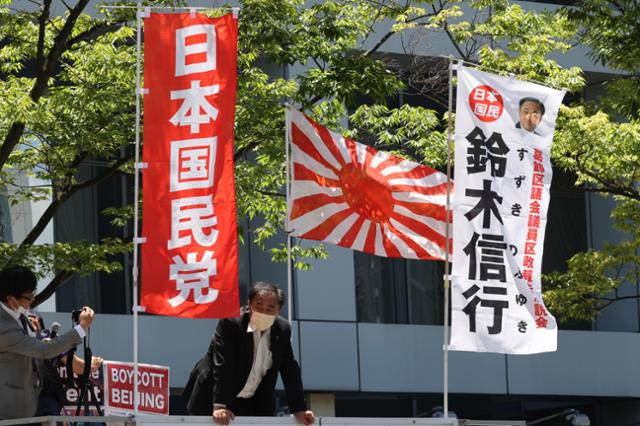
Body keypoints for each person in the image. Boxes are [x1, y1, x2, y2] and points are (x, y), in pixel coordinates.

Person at [184, 282, 315, 425]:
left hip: (250, 401)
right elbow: (224, 366)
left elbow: (289, 368)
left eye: (270, 309)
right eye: (258, 307)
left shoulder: (282, 329)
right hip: (212, 398)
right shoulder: (231, 323)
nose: (263, 313)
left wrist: (299, 409)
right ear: (249, 304)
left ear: (279, 309)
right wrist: (220, 406)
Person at [0, 265, 95, 420]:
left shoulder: (21, 313)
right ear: (10, 298)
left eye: (34, 293)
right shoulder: (3, 327)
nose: (33, 300)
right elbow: (43, 351)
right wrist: (82, 328)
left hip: (34, 400)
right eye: (28, 297)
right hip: (10, 411)